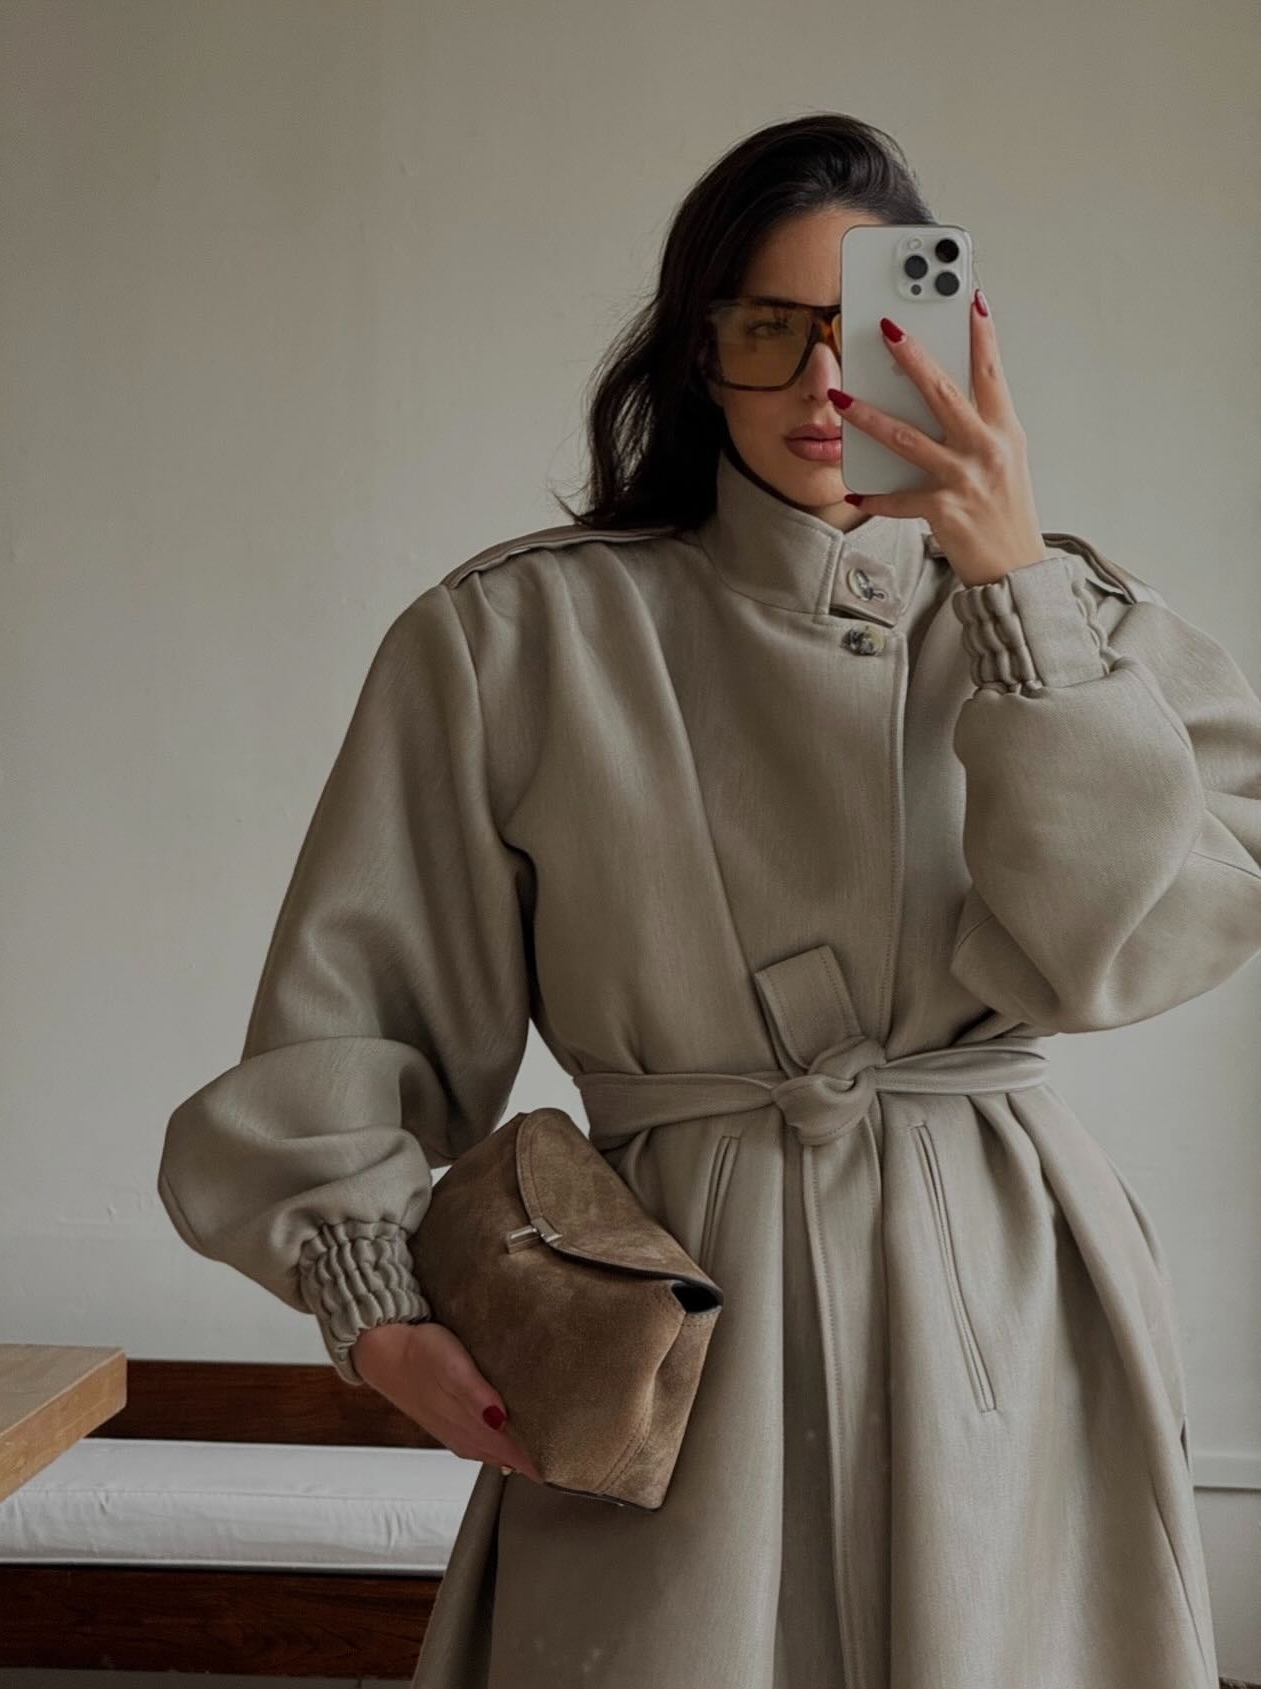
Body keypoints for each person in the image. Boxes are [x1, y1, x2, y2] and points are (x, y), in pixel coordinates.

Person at [158, 113, 1261, 1689]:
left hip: (1004, 1298)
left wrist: (1011, 590)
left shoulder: (1079, 628)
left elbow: (1118, 948)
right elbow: (350, 1022)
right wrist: (372, 1307)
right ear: (697, 350)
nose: (821, 381)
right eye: (764, 328)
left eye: (869, 330)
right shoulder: (514, 638)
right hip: (672, 1324)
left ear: (953, 339)